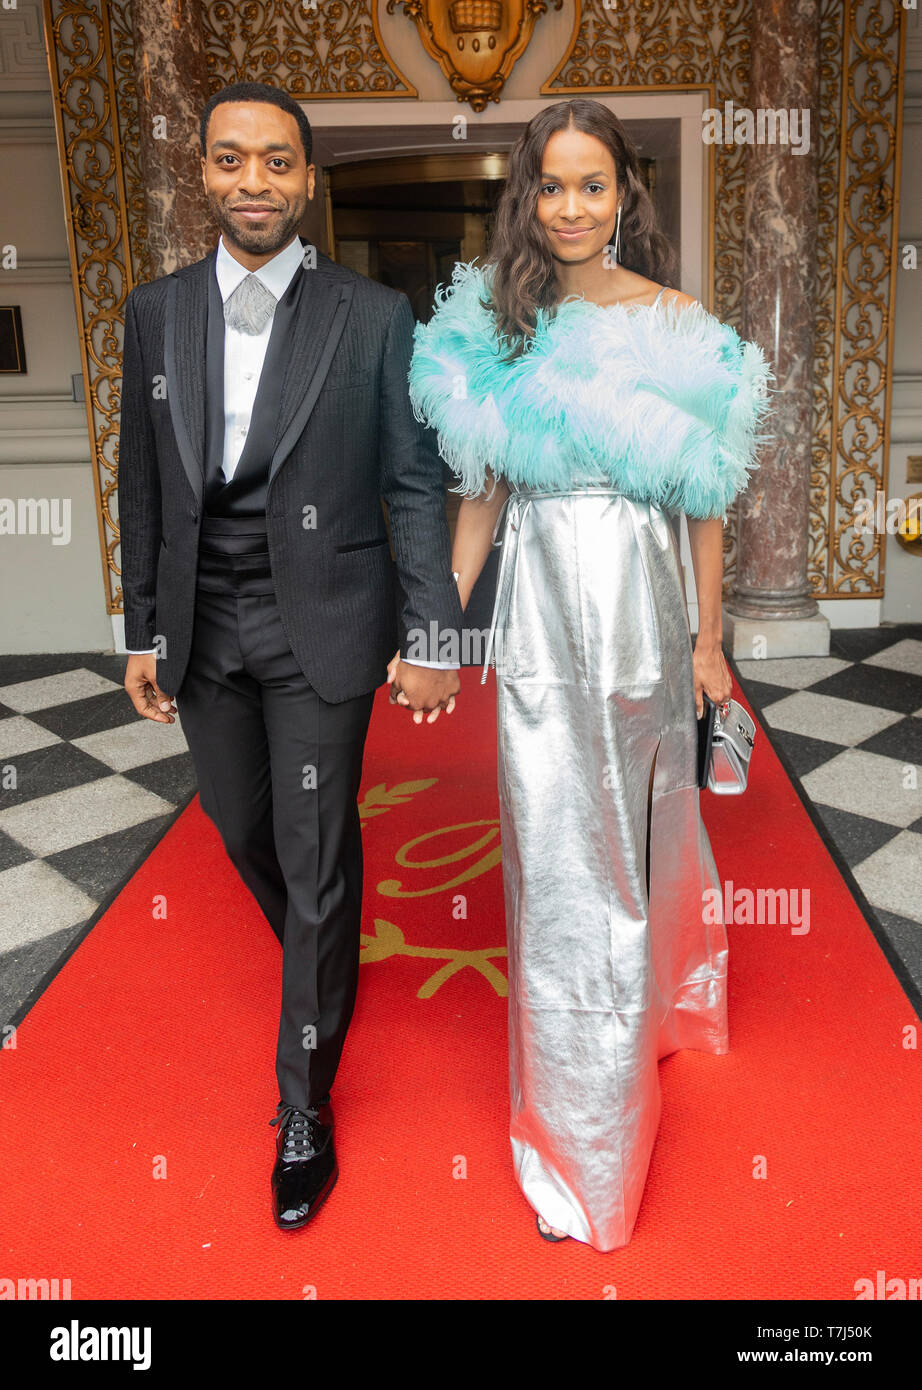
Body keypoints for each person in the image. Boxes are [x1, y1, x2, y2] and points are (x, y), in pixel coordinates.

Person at [406, 99, 774, 1249]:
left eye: (592, 186)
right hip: (538, 610)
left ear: (626, 195)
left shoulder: (676, 324)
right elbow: (484, 494)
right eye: (550, 187)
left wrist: (710, 644)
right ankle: (579, 1133)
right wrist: (432, 627)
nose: (570, 209)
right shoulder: (504, 327)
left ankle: (618, 1095)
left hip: (641, 606)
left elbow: (705, 501)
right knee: (555, 859)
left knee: (634, 833)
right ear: (528, 196)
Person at [119, 82, 462, 1231]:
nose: (252, 181)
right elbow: (140, 487)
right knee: (240, 825)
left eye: (276, 162)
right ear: (204, 174)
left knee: (314, 858)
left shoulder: (371, 316)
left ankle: (303, 1103)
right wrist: (141, 631)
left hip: (324, 617)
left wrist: (430, 631)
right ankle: (326, 953)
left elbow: (414, 482)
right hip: (200, 624)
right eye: (231, 160)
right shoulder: (153, 313)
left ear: (307, 181)